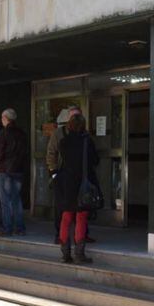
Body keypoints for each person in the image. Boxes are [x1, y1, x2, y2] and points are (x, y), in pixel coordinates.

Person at [54, 114, 99, 264]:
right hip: (83, 184)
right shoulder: (87, 142)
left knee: (66, 217)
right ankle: (79, 254)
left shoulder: (63, 142)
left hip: (67, 184)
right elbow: (95, 160)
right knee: (81, 217)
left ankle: (65, 254)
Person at [47, 105, 94, 244]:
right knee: (65, 209)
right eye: (74, 116)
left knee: (79, 209)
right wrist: (54, 172)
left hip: (80, 178)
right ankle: (63, 238)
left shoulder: (85, 136)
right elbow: (51, 153)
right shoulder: (60, 135)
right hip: (64, 176)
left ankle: (78, 238)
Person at [0, 108, 28, 236]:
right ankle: (20, 228)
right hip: (18, 170)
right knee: (16, 199)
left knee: (5, 201)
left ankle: (7, 228)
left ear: (5, 119)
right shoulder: (22, 133)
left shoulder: (3, 133)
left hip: (5, 170)